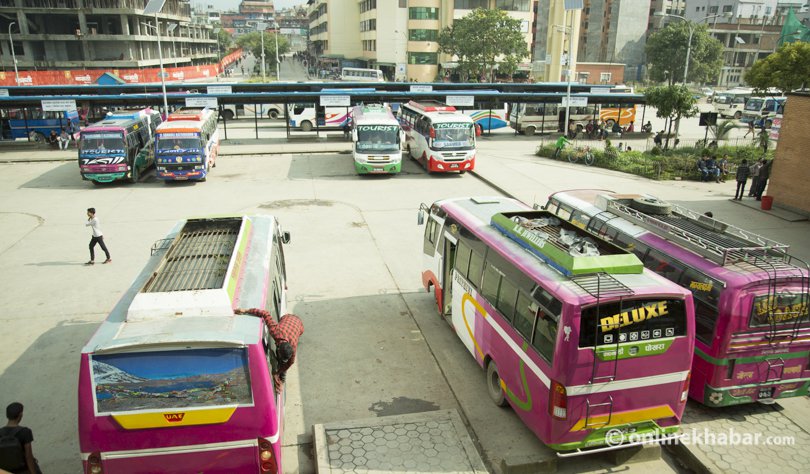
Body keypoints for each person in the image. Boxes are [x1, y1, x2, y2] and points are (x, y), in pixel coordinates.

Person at [234, 308, 304, 393]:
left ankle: (281, 380)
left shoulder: (293, 345)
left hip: (299, 326)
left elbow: (290, 362)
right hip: (287, 318)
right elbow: (264, 313)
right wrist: (245, 311)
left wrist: (278, 373)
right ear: (277, 348)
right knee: (281, 363)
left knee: (283, 365)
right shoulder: (275, 331)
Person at [0, 402, 41, 474]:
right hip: (23, 470)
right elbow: (28, 456)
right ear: (20, 415)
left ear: (7, 415)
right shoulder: (25, 431)